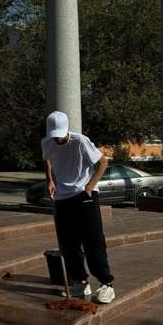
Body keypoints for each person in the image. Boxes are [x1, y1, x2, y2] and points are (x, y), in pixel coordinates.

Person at [42, 110, 115, 304]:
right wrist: (50, 180)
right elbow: (47, 159)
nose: (57, 140)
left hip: (84, 194)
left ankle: (106, 284)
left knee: (93, 241)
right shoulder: (47, 142)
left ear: (66, 130)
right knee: (69, 244)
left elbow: (102, 162)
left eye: (59, 136)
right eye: (54, 136)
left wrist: (90, 187)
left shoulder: (80, 141)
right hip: (62, 197)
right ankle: (80, 282)